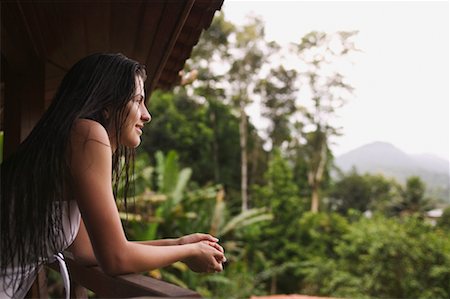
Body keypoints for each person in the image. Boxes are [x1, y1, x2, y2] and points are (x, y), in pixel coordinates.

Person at [0, 53, 226, 299]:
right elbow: (115, 258)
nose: (146, 115)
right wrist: (187, 253)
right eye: (138, 101)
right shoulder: (88, 135)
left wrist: (179, 244)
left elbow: (87, 252)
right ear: (106, 105)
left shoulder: (71, 140)